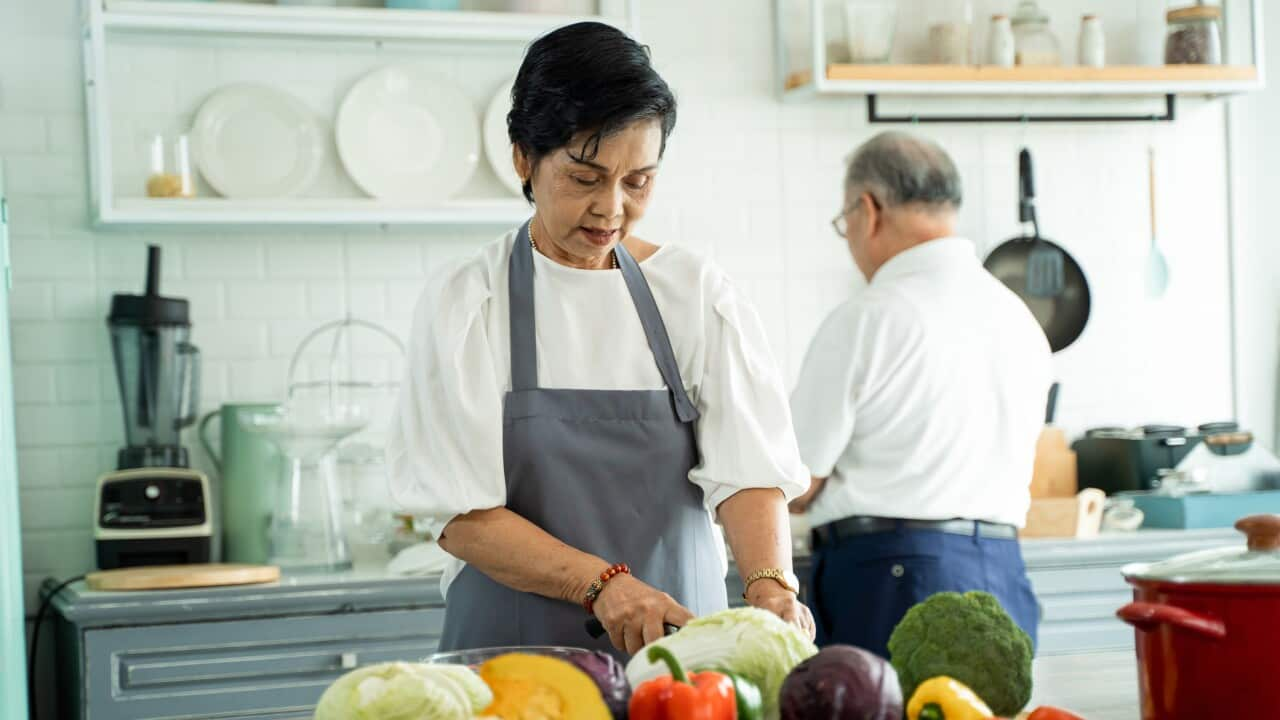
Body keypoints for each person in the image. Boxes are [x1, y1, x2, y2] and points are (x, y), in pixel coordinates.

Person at [387, 22, 814, 658]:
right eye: (585, 179)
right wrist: (603, 585)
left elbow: (748, 469)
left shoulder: (694, 291)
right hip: (517, 658)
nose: (611, 208)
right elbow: (462, 518)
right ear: (524, 160)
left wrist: (769, 582)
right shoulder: (467, 302)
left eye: (637, 181)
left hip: (682, 654)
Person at [788, 131, 1051, 658]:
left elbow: (795, 479)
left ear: (869, 209)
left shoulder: (868, 318)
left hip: (892, 580)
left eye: (845, 223)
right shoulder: (1020, 319)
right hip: (1002, 572)